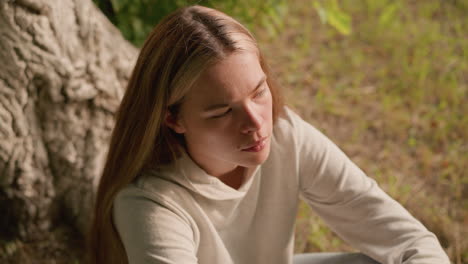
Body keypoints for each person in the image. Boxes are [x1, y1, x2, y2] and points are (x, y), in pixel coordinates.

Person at [88, 4, 450, 264]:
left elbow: (407, 238)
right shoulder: (149, 204)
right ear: (173, 119)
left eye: (259, 92)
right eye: (222, 111)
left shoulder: (284, 134)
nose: (256, 122)